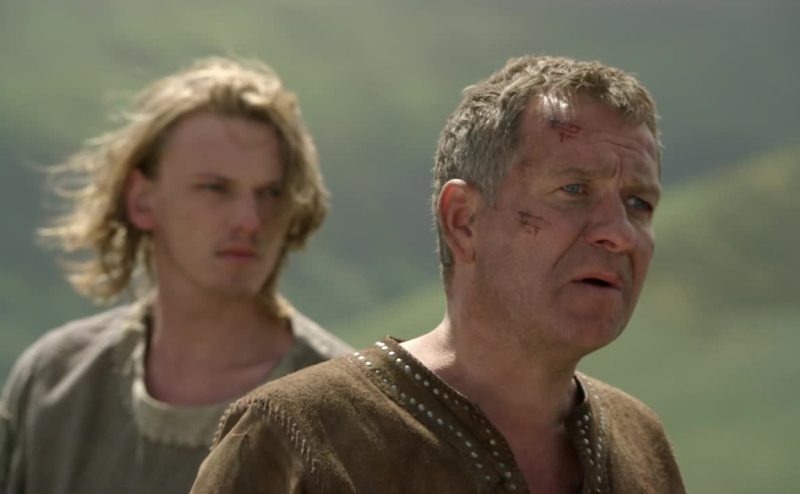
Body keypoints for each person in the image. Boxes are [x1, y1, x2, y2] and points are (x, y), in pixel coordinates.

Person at [191, 55, 687, 494]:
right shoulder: (296, 437)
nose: (619, 234)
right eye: (574, 190)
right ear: (464, 220)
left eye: (639, 204)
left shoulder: (639, 441)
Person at [0, 57, 352, 494]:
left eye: (270, 193)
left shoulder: (344, 415)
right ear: (142, 201)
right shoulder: (54, 384)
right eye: (215, 188)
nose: (250, 220)